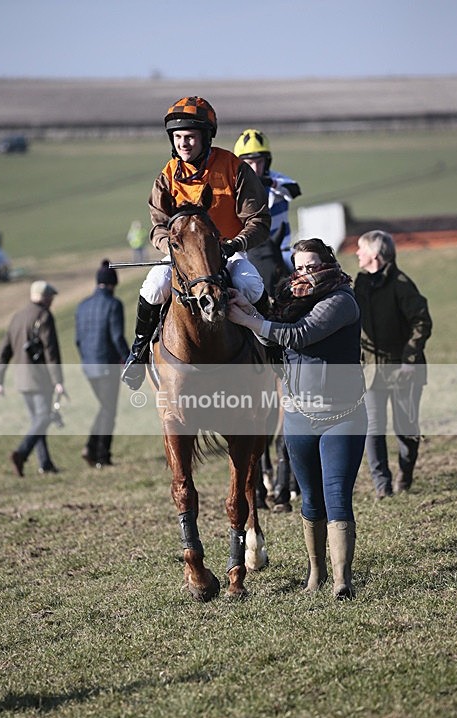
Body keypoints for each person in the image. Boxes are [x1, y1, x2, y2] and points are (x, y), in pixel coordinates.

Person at [227, 238, 367, 599]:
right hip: (299, 416)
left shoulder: (341, 302)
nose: (303, 274)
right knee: (310, 501)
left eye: (311, 266)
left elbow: (299, 336)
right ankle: (315, 576)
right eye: (298, 267)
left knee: (337, 498)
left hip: (343, 417)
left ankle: (342, 582)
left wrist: (247, 319)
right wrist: (250, 311)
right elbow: (276, 338)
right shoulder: (291, 305)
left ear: (328, 265)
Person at [122, 96, 271, 391]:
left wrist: (235, 244)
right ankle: (137, 354)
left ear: (206, 137)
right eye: (177, 137)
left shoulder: (234, 168)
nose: (183, 143)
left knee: (252, 286)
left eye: (189, 137)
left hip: (227, 254)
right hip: (183, 259)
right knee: (153, 288)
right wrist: (174, 248)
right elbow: (157, 228)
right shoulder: (166, 177)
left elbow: (259, 221)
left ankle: (276, 353)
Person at [234, 127, 303, 512]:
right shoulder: (233, 188)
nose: (253, 165)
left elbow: (287, 240)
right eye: (246, 161)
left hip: (275, 267)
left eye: (258, 159)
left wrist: (300, 276)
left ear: (267, 161)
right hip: (243, 264)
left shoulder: (278, 190)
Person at [354, 230, 433, 498]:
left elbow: (421, 322)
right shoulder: (360, 284)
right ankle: (382, 486)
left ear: (374, 255)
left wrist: (410, 359)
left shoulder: (402, 284)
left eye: (361, 249)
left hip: (404, 370)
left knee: (406, 430)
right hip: (371, 372)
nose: (356, 254)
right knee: (373, 429)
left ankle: (405, 474)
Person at [0, 280, 65, 477]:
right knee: (42, 419)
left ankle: (45, 464)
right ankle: (21, 453)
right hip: (40, 379)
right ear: (45, 297)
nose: (52, 301)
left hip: (21, 379)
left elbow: (4, 350)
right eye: (51, 297)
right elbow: (51, 351)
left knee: (36, 420)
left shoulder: (17, 317)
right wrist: (58, 380)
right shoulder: (44, 316)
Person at [75, 259, 129, 468]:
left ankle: (91, 447)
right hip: (107, 366)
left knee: (104, 407)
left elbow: (78, 340)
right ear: (112, 283)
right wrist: (127, 360)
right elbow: (117, 337)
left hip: (88, 367)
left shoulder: (82, 305)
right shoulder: (114, 304)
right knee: (109, 410)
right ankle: (101, 456)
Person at [233, 127, 301, 269]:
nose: (256, 168)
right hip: (247, 251)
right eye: (250, 163)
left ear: (267, 161)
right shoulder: (234, 185)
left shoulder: (276, 178)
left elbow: (293, 190)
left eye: (259, 162)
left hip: (280, 250)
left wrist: (271, 183)